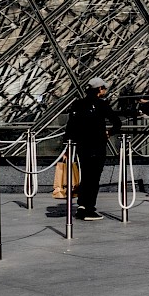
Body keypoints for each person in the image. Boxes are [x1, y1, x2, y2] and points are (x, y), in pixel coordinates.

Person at [64, 76, 122, 221]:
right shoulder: (102, 105)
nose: (105, 90)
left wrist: (67, 147)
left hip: (82, 146)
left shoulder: (78, 104)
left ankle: (82, 206)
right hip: (97, 145)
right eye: (104, 88)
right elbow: (117, 123)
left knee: (86, 175)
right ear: (99, 89)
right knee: (94, 177)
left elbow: (70, 127)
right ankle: (89, 208)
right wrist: (109, 132)